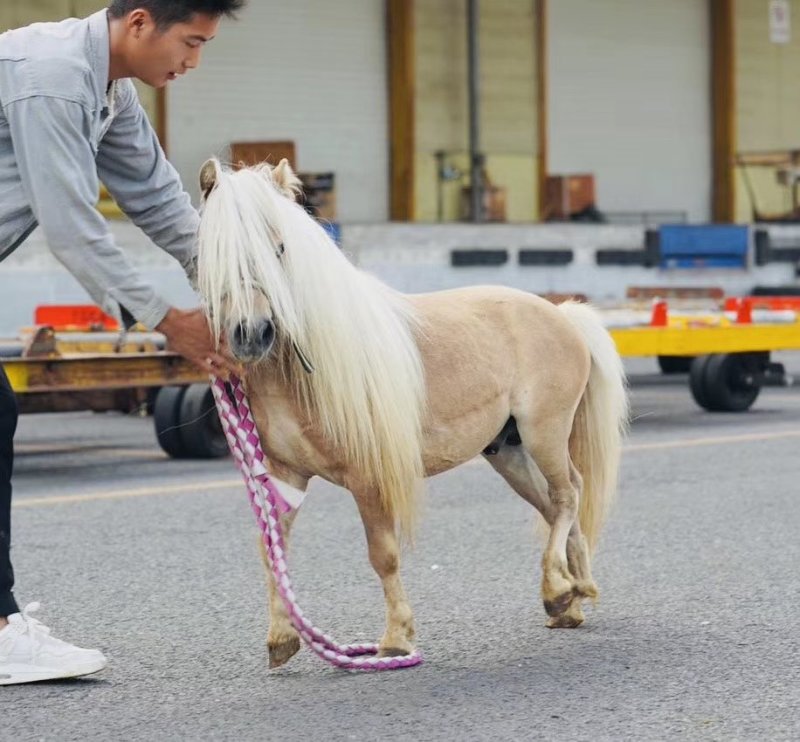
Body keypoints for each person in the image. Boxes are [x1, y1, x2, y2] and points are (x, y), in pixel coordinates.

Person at [0, 0, 245, 685]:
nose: (193, 63)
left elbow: (160, 200)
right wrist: (174, 322)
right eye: (190, 42)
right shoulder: (50, 76)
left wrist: (231, 288)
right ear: (141, 23)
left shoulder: (109, 91)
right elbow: (73, 227)